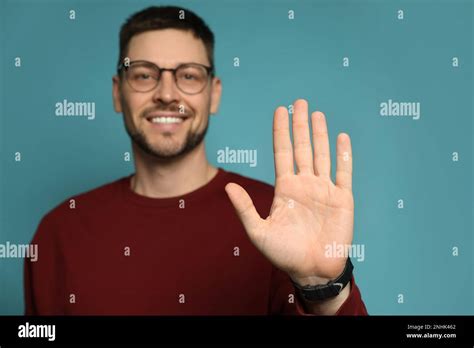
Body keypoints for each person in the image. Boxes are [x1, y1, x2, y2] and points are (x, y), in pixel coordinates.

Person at [24, 5, 367, 315]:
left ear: (213, 93)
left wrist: (323, 288)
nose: (167, 93)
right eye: (144, 74)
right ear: (118, 92)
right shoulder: (58, 234)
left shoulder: (276, 217)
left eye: (188, 75)